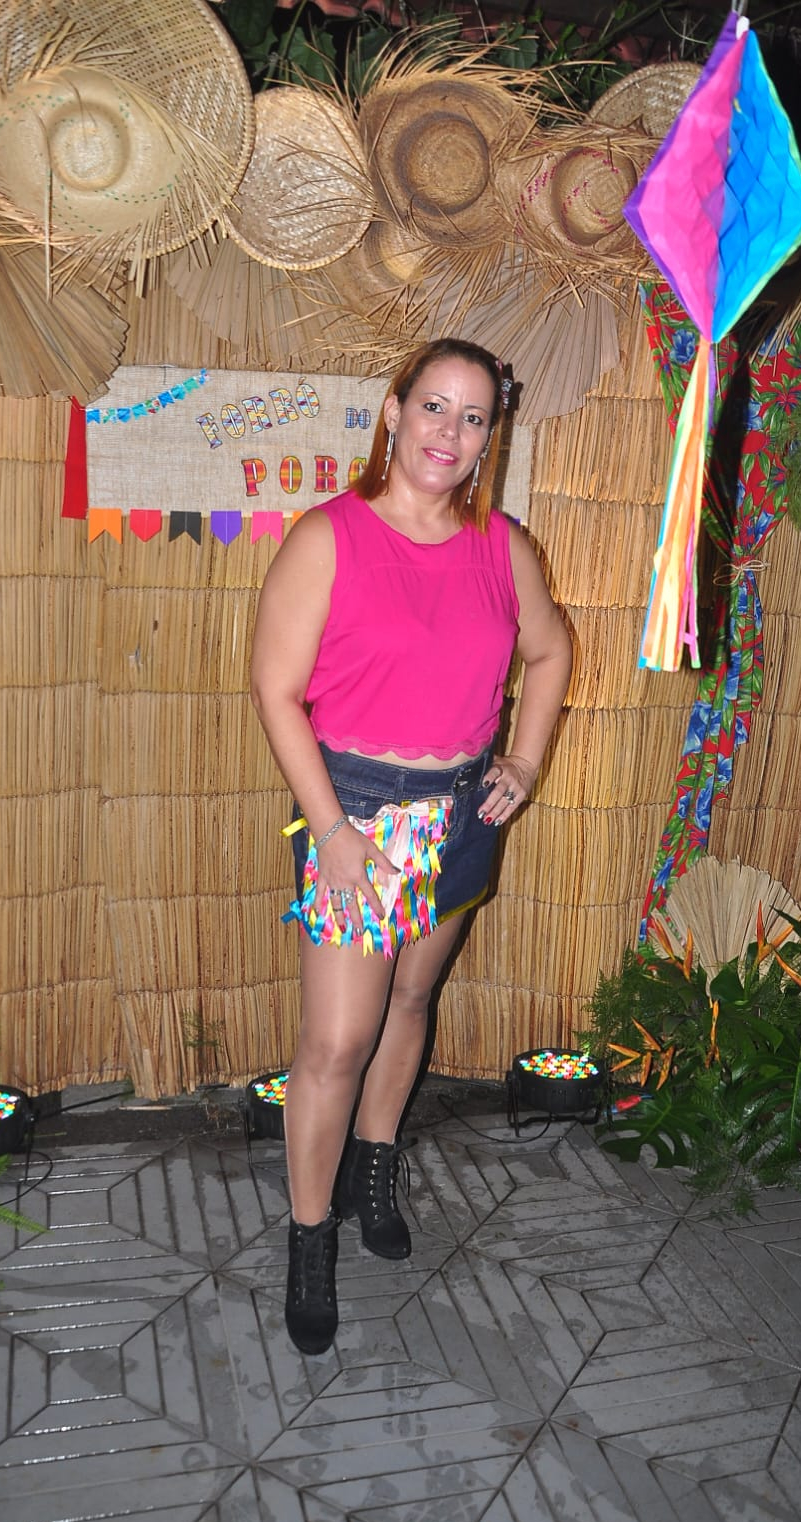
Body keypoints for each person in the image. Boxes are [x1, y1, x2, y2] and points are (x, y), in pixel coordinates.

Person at [250, 337, 572, 1355]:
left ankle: (375, 1168)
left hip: (462, 814)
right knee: (335, 1041)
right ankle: (310, 1238)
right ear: (393, 412)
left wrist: (524, 758)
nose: (451, 432)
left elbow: (551, 648)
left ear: (489, 436)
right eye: (434, 406)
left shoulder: (503, 546)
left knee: (411, 1002)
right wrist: (332, 832)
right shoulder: (329, 537)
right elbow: (275, 692)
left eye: (474, 417)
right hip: (360, 816)